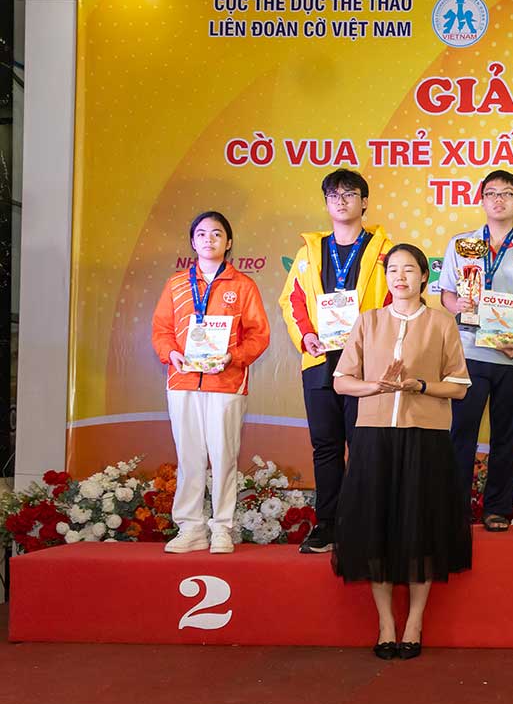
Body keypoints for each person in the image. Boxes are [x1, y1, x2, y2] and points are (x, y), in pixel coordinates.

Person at [332, 244, 473, 659]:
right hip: (374, 435)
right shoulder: (368, 321)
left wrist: (420, 386)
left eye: (409, 269)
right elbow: (341, 381)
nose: (400, 277)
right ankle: (385, 624)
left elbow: (460, 387)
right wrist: (375, 386)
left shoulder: (441, 323)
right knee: (375, 528)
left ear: (424, 276)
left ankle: (414, 621)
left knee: (421, 529)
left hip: (425, 437)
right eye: (393, 269)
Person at [279, 169, 394, 554]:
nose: (341, 201)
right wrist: (306, 336)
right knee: (325, 446)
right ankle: (327, 524)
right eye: (333, 195)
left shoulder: (385, 252)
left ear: (365, 202)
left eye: (349, 194)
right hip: (319, 362)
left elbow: (396, 301)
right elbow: (292, 300)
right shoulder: (309, 253)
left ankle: (365, 525)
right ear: (326, 203)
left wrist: (374, 343)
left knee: (365, 445)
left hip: (366, 365)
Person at [438, 169, 513, 531]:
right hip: (469, 353)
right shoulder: (461, 244)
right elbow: (446, 294)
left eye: (507, 193)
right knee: (461, 433)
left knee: (507, 435)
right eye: (491, 193)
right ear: (482, 200)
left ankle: (498, 510)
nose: (499, 199)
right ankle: (453, 510)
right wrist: (460, 306)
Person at [151, 211, 270, 554]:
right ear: (192, 241)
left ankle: (222, 528)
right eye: (202, 234)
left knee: (223, 457)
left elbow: (259, 334)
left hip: (226, 383)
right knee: (189, 458)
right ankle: (190, 528)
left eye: (217, 234)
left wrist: (234, 356)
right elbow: (161, 330)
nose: (209, 239)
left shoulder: (243, 285)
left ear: (228, 242)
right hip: (183, 381)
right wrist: (171, 353)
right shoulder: (176, 284)